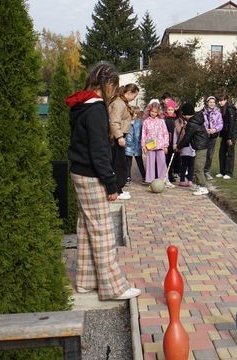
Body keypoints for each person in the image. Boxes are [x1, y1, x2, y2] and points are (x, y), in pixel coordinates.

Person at [65, 62, 141, 300]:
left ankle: (87, 282)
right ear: (107, 84)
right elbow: (99, 151)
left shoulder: (80, 105)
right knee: (103, 232)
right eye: (114, 86)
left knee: (87, 229)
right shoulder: (96, 109)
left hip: (79, 172)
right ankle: (113, 288)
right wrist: (111, 183)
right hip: (91, 175)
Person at [108, 83, 139, 200]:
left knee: (119, 163)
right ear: (129, 93)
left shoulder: (122, 102)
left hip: (119, 136)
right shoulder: (119, 103)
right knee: (118, 164)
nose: (134, 99)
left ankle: (118, 188)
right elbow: (114, 121)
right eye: (134, 96)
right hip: (116, 137)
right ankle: (117, 190)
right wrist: (120, 137)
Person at [176, 103, 210, 196]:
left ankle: (203, 187)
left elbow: (187, 138)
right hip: (199, 147)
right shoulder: (195, 120)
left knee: (198, 168)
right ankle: (199, 185)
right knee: (196, 167)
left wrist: (178, 147)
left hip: (201, 147)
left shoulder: (192, 123)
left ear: (185, 114)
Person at [141, 102, 170, 184]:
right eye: (152, 111)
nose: (153, 113)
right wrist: (143, 146)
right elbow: (143, 134)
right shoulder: (146, 122)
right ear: (149, 111)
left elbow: (165, 133)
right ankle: (150, 180)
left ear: (158, 112)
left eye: (155, 112)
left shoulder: (161, 121)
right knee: (150, 163)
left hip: (160, 145)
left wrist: (165, 146)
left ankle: (163, 179)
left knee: (162, 163)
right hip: (150, 146)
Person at [216, 94, 237, 179]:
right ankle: (222, 171)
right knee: (222, 152)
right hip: (225, 134)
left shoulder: (230, 109)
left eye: (221, 100)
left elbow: (232, 124)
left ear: (226, 100)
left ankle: (229, 173)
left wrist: (230, 138)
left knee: (230, 153)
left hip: (231, 134)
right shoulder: (222, 109)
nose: (220, 102)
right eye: (219, 101)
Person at [202, 96, 223, 180]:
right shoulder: (203, 112)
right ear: (207, 103)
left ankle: (206, 171)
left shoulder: (218, 113)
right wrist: (205, 129)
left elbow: (220, 124)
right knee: (202, 154)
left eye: (213, 102)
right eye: (210, 102)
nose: (212, 104)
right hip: (204, 136)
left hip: (213, 136)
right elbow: (201, 122)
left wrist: (215, 129)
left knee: (210, 155)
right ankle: (199, 171)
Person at [125, 106, 145, 184]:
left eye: (135, 114)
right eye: (132, 113)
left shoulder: (139, 122)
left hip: (137, 145)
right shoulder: (127, 122)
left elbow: (142, 133)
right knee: (128, 163)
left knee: (140, 162)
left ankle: (144, 176)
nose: (134, 115)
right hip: (128, 145)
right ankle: (128, 177)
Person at [174, 117, 195, 187]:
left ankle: (190, 180)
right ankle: (182, 180)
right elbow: (176, 137)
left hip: (192, 148)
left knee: (191, 165)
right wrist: (175, 145)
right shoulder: (179, 127)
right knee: (184, 164)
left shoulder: (192, 127)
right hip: (184, 148)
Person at [164, 98, 179, 187]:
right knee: (165, 160)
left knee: (171, 160)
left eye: (171, 110)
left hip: (173, 143)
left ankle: (170, 174)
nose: (170, 111)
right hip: (166, 143)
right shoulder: (164, 119)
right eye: (168, 109)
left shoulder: (176, 120)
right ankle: (165, 176)